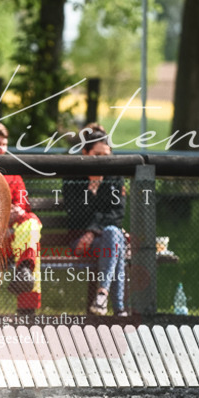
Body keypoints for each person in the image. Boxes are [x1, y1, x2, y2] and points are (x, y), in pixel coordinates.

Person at [62, 123, 127, 317]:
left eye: (106, 156)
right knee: (117, 243)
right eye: (97, 155)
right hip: (79, 241)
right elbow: (76, 215)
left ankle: (102, 295)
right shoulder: (73, 177)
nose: (102, 161)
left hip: (102, 239)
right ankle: (119, 309)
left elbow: (118, 213)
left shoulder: (115, 176)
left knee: (113, 235)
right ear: (85, 152)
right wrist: (92, 188)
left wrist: (93, 230)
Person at [0, 121, 42, 316]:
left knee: (31, 222)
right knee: (31, 251)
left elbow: (21, 201)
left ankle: (24, 276)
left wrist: (18, 211)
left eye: (4, 144)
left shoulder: (11, 170)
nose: (2, 149)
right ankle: (25, 268)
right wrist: (4, 214)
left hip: (13, 238)